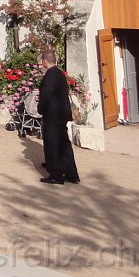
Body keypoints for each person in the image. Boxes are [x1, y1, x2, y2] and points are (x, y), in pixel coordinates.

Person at [37, 50, 80, 185]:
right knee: (63, 145)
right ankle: (71, 173)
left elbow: (46, 95)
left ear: (45, 61)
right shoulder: (59, 73)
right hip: (61, 115)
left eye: (42, 61)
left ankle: (55, 175)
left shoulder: (51, 75)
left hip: (53, 115)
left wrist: (40, 108)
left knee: (52, 145)